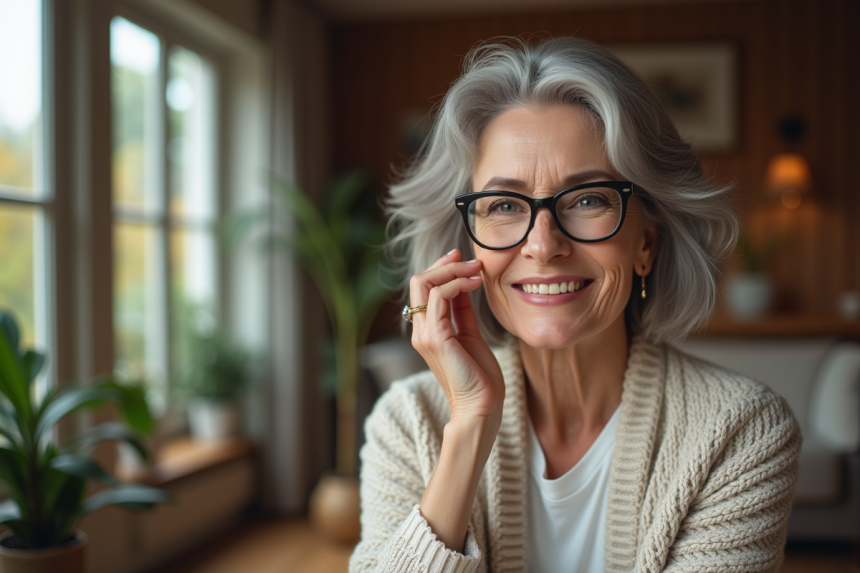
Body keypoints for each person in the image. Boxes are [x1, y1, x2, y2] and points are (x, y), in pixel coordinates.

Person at [350, 37, 800, 573]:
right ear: (469, 247)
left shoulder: (740, 430)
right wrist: (469, 427)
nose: (543, 246)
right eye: (504, 205)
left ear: (646, 243)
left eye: (588, 199)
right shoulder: (408, 423)